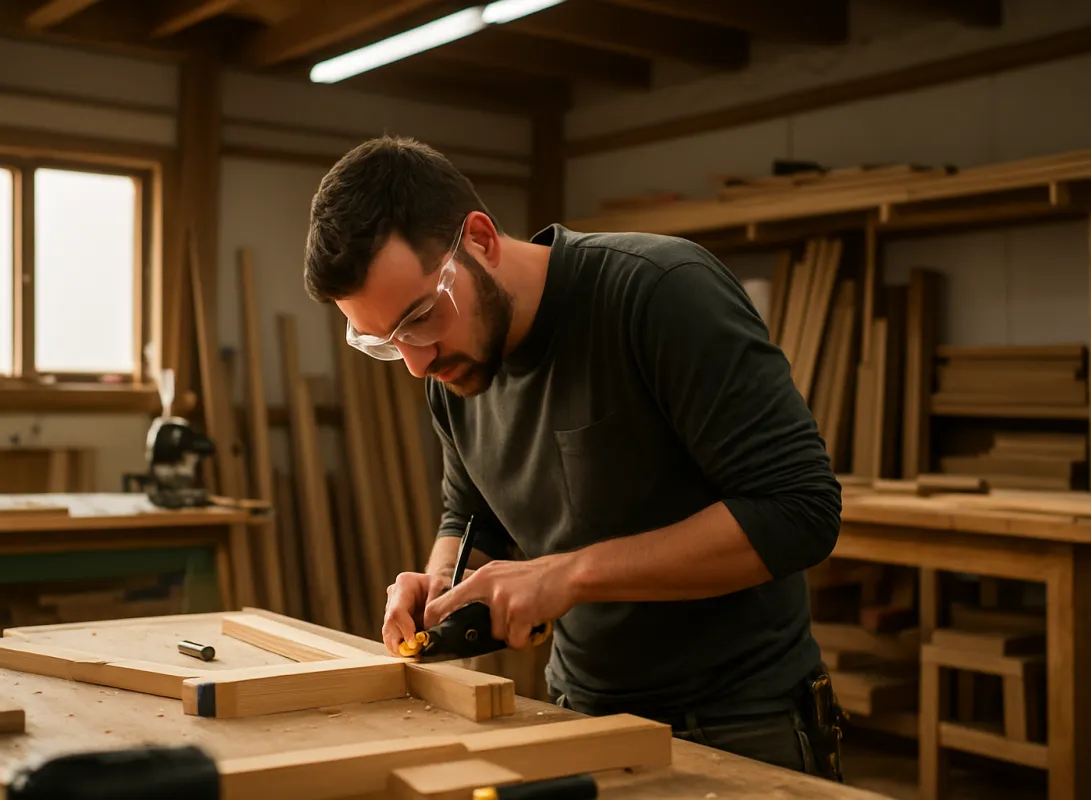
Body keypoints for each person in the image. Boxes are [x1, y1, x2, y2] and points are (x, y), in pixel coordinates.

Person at [303, 136, 845, 778]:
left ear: (479, 238)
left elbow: (800, 511)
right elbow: (471, 514)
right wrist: (441, 589)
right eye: (385, 344)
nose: (417, 360)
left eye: (421, 316)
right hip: (579, 712)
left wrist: (567, 575)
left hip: (741, 724)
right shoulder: (454, 369)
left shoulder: (659, 292)